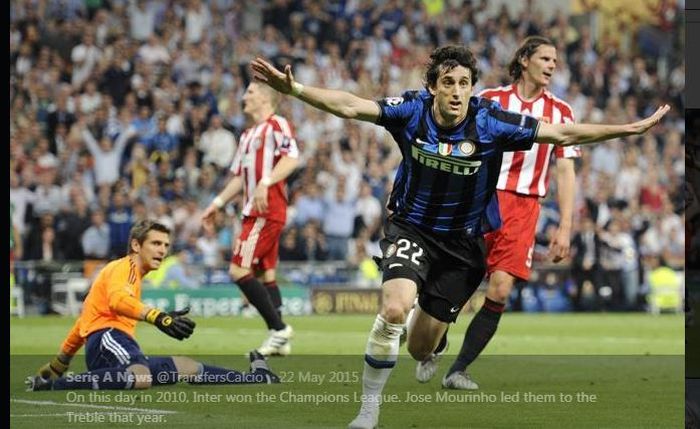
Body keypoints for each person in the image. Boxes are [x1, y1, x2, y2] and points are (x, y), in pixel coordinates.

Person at [250, 45, 668, 429]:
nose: (456, 92)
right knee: (393, 309)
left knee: (418, 349)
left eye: (464, 83)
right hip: (412, 228)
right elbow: (350, 106)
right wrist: (297, 89)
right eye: (447, 83)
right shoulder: (411, 111)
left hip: (463, 248)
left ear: (472, 88)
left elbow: (561, 134)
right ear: (432, 86)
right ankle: (368, 410)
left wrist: (628, 130)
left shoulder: (490, 121)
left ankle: (434, 331)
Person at [418, 36, 581, 389]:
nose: (552, 65)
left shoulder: (562, 112)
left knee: (501, 290)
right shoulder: (490, 100)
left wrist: (565, 226)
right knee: (459, 278)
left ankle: (457, 369)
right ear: (524, 60)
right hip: (482, 198)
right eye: (545, 58)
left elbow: (565, 171)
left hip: (525, 207)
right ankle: (435, 340)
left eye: (555, 60)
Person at [25, 220, 279, 392]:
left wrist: (60, 362)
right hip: (108, 339)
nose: (162, 250)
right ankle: (55, 386)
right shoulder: (124, 268)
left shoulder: (128, 274)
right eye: (156, 244)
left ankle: (255, 377)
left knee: (187, 366)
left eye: (166, 245)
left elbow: (84, 320)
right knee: (142, 376)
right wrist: (159, 317)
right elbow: (117, 301)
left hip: (112, 344)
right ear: (136, 245)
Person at [201, 81, 300, 356]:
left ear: (266, 99)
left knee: (238, 270)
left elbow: (292, 158)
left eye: (250, 92)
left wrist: (265, 182)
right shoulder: (246, 135)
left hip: (265, 210)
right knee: (265, 272)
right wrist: (216, 204)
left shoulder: (277, 124)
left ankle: (279, 329)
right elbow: (239, 178)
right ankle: (280, 342)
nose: (244, 96)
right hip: (254, 209)